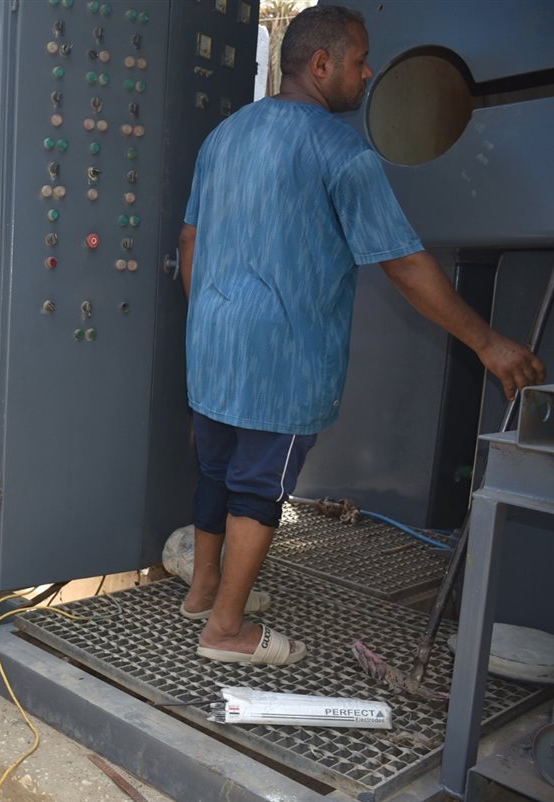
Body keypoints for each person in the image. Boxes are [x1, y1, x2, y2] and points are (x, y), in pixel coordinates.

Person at [177, 4, 545, 666]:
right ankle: (226, 631)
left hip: (214, 344)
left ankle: (204, 594)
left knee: (217, 471)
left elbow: (190, 240)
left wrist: (206, 318)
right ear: (322, 65)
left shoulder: (225, 136)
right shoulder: (341, 152)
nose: (369, 72)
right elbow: (404, 265)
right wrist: (488, 342)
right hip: (283, 356)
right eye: (361, 60)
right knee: (258, 487)